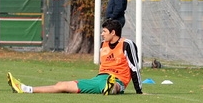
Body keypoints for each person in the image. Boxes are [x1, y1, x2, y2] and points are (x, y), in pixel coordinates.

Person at [7, 19, 143, 95]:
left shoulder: (127, 44)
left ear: (113, 33)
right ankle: (26, 88)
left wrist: (139, 91)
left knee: (114, 85)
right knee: (62, 85)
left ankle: (112, 88)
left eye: (104, 32)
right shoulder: (103, 45)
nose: (102, 34)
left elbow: (134, 68)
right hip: (99, 79)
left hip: (118, 80)